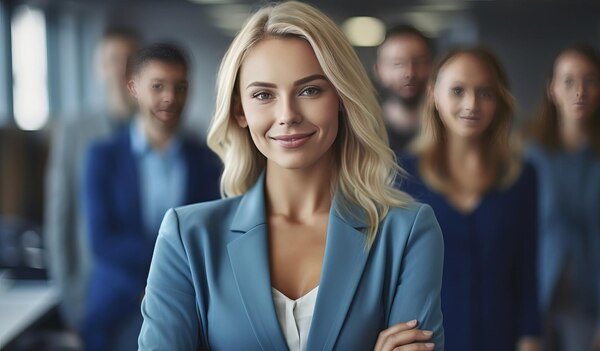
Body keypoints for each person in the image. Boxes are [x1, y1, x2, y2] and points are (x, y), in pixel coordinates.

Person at [138, 2, 444, 350]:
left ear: (341, 97)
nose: (287, 115)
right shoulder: (187, 238)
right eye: (264, 95)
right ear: (240, 110)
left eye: (309, 90)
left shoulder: (407, 234)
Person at [80, 43, 221, 351]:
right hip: (116, 305)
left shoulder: (207, 162)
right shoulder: (103, 157)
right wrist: (158, 282)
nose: (170, 97)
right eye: (157, 86)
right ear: (134, 88)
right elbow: (102, 240)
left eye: (180, 87)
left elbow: (209, 238)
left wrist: (169, 288)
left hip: (186, 308)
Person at [399, 47, 541, 351]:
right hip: (428, 341)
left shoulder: (522, 176)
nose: (472, 104)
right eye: (458, 90)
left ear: (500, 100)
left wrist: (531, 338)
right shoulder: (404, 177)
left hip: (501, 337)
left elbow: (527, 271)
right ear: (434, 95)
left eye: (486, 92)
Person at [525, 43, 600, 351]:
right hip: (533, 299)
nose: (579, 91)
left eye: (590, 80)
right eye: (568, 81)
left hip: (589, 304)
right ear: (552, 89)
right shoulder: (527, 155)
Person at [44, 28, 139, 330]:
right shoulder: (74, 132)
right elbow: (60, 215)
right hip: (91, 291)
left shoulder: (164, 133)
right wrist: (70, 297)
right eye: (112, 60)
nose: (120, 69)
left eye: (130, 60)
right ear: (98, 69)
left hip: (150, 293)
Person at [374, 24, 432, 155]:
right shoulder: (365, 130)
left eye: (418, 62)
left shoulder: (449, 128)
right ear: (379, 71)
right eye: (398, 64)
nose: (409, 73)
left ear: (431, 66)